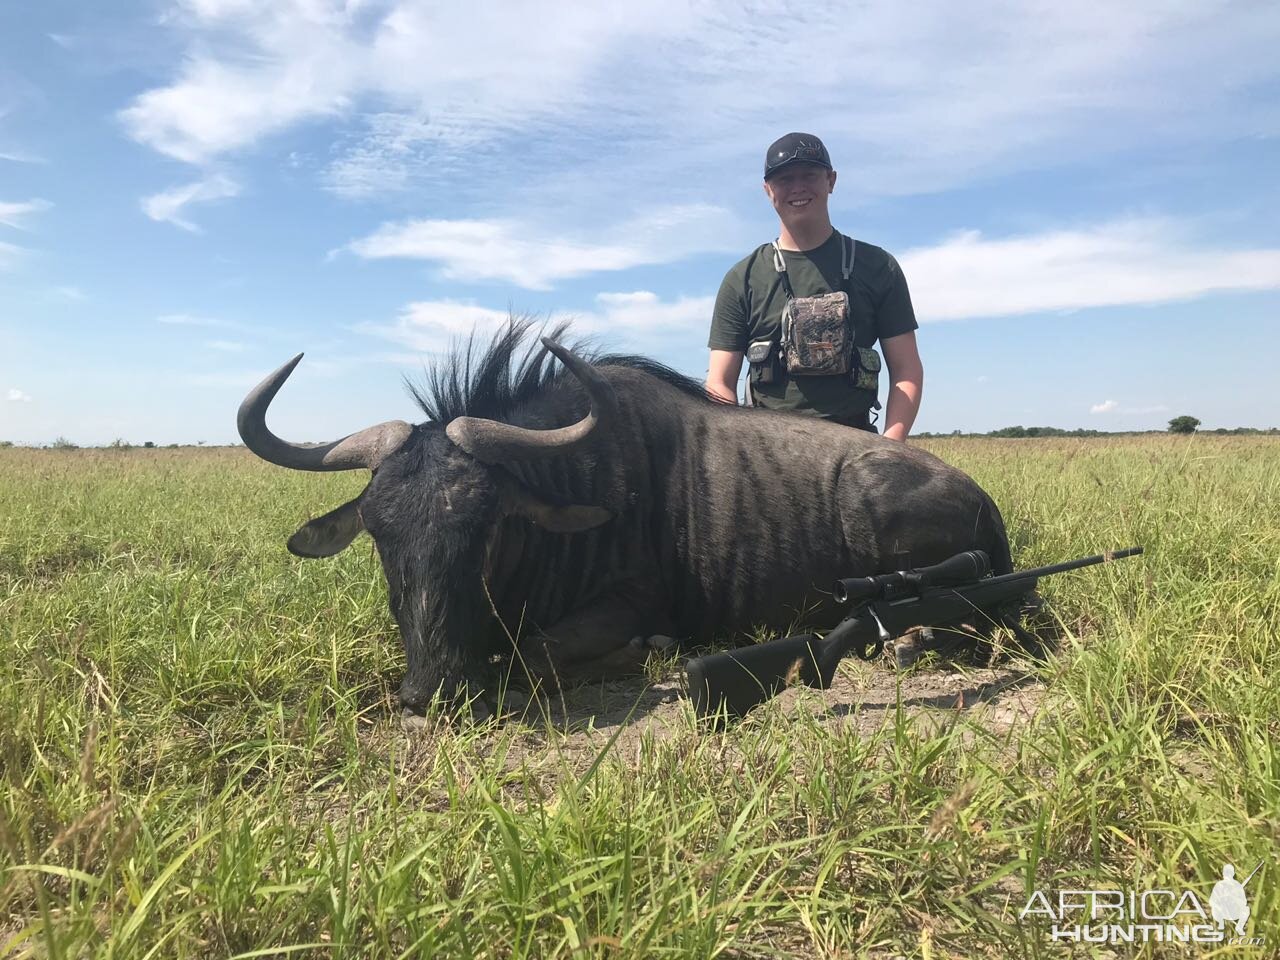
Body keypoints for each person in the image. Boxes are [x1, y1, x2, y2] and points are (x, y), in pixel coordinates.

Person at [706, 133, 923, 440]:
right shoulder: (742, 278)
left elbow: (907, 370)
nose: (797, 187)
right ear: (768, 190)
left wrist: (891, 445)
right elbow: (719, 382)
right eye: (784, 179)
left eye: (809, 175)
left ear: (831, 181)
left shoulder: (878, 267)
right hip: (767, 450)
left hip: (856, 446)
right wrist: (737, 450)